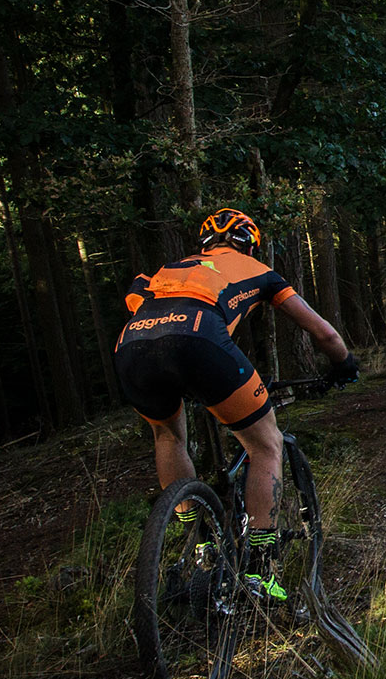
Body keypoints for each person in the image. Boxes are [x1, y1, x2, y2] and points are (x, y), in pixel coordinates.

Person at [114, 208, 359, 599]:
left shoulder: (161, 271)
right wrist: (344, 364)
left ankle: (199, 541)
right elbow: (325, 333)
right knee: (265, 444)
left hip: (133, 345)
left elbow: (143, 311)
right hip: (200, 340)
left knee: (168, 437)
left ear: (206, 242)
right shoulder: (257, 270)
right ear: (250, 242)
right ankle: (260, 569)